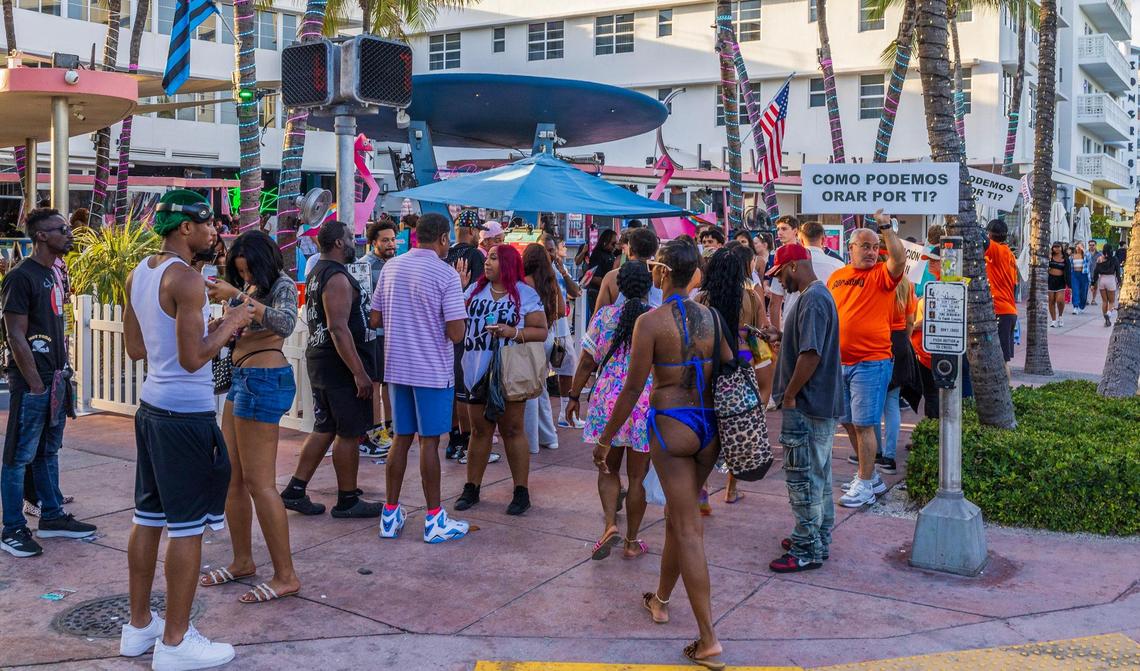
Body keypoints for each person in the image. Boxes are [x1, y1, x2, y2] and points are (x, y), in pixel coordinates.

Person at [121, 190, 254, 668]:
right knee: (188, 528)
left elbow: (136, 348)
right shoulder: (189, 280)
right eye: (208, 224)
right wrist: (234, 320)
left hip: (152, 409)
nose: (215, 231)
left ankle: (139, 627)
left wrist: (201, 327)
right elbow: (194, 356)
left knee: (148, 518)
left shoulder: (141, 271)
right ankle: (176, 643)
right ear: (185, 229)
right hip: (186, 416)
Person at [595, 239, 732, 669]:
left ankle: (709, 639)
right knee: (679, 517)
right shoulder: (712, 317)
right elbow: (734, 360)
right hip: (708, 428)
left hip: (670, 425)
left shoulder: (651, 323)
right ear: (695, 276)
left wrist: (606, 439)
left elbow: (632, 388)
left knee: (688, 529)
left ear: (659, 273)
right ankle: (661, 597)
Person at [199, 230, 301, 604]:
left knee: (260, 484)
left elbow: (286, 324)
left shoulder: (282, 285)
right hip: (243, 379)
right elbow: (247, 330)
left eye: (247, 270)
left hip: (262, 381)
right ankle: (243, 560)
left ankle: (285, 575)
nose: (244, 277)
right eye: (239, 272)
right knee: (232, 479)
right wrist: (225, 327)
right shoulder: (253, 287)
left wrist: (238, 298)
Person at [371, 213, 471, 542]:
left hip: (397, 368)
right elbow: (456, 333)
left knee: (401, 438)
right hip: (431, 370)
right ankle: (433, 519)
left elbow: (375, 319)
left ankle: (389, 513)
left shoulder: (391, 267)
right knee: (430, 443)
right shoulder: (445, 275)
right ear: (443, 238)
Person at [2, 208, 94, 558]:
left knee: (47, 452)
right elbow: (15, 334)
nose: (69, 234)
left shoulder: (53, 274)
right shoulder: (20, 277)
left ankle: (52, 516)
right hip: (33, 383)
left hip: (55, 379)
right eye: (61, 229)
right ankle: (12, 528)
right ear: (41, 235)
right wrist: (35, 384)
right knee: (18, 457)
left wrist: (59, 376)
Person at [280, 220, 380, 519]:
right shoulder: (335, 277)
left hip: (323, 361)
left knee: (326, 427)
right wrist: (359, 372)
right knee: (348, 432)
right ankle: (347, 499)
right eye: (350, 237)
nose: (354, 242)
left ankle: (295, 489)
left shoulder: (317, 272)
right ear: (338, 243)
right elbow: (338, 328)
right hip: (338, 365)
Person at [763, 243, 843, 573]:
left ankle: (807, 546)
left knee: (803, 477)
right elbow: (806, 344)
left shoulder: (812, 299)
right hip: (818, 402)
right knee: (818, 475)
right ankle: (817, 534)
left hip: (807, 404)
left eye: (780, 273)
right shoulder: (816, 297)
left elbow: (811, 355)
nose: (779, 281)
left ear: (793, 266)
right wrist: (781, 335)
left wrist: (791, 394)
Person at [567, 262, 655, 561]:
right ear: (649, 286)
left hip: (607, 400)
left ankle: (609, 526)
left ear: (618, 286)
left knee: (607, 467)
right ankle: (632, 540)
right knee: (637, 479)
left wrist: (573, 395)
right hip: (644, 400)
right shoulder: (655, 318)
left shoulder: (604, 316)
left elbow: (587, 362)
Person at [455, 244, 549, 516]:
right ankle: (471, 487)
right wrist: (460, 290)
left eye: (494, 258)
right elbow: (456, 320)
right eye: (487, 258)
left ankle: (521, 492)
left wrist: (513, 332)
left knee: (512, 431)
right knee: (479, 431)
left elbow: (541, 331)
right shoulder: (474, 290)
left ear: (507, 263)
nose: (487, 263)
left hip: (509, 372)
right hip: (475, 370)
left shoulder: (525, 294)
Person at [828, 210, 905, 508]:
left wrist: (885, 227)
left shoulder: (882, 275)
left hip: (871, 362)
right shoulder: (837, 277)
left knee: (864, 424)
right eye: (866, 246)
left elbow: (897, 260)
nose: (872, 252)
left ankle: (865, 483)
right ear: (851, 248)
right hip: (840, 363)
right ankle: (869, 476)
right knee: (848, 422)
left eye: (875, 247)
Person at [696, 245, 772, 505]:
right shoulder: (751, 298)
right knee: (737, 424)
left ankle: (703, 487)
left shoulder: (701, 300)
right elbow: (760, 336)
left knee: (709, 425)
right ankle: (731, 488)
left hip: (709, 364)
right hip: (743, 361)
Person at [870, 276, 916, 475]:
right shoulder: (906, 283)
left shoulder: (875, 284)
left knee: (873, 402)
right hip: (899, 341)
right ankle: (888, 456)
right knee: (892, 403)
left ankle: (877, 452)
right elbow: (910, 320)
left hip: (879, 340)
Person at [360, 220, 398, 458]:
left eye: (393, 239)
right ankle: (375, 430)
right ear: (373, 242)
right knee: (375, 383)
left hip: (395, 335)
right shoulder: (363, 266)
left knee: (390, 383)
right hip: (374, 336)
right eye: (385, 240)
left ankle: (393, 428)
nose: (390, 244)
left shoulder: (397, 264)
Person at [522, 243, 563, 454]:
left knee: (531, 389)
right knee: (541, 387)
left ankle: (531, 440)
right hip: (549, 336)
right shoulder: (550, 282)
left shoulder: (524, 283)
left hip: (531, 337)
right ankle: (549, 435)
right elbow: (562, 310)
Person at [544, 234, 584, 429]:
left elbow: (576, 292)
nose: (550, 254)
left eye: (552, 250)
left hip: (561, 328)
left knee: (567, 366)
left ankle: (564, 413)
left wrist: (564, 272)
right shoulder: (533, 272)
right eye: (546, 250)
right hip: (543, 328)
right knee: (540, 373)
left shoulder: (560, 268)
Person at [595, 227, 663, 311]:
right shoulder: (663, 276)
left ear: (630, 250)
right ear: (655, 250)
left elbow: (597, 317)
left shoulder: (611, 277)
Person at [984, 220, 1019, 365]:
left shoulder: (998, 250)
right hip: (1008, 311)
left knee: (1000, 362)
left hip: (1001, 311)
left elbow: (981, 239)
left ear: (991, 234)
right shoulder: (1008, 254)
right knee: (1002, 360)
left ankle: (1005, 388)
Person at [767, 215, 801, 329]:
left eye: (784, 229)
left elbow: (774, 302)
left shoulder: (802, 254)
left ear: (795, 231)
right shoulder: (778, 253)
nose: (779, 232)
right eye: (778, 229)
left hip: (791, 321)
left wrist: (776, 334)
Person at [585, 229, 619, 317]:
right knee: (599, 317)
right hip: (596, 292)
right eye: (613, 243)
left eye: (616, 243)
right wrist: (608, 285)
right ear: (605, 242)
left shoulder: (611, 254)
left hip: (605, 291)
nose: (615, 246)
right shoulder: (598, 254)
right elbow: (594, 277)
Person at [1092, 244, 1120, 327]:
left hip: (1102, 280)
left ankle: (1106, 321)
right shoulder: (1115, 259)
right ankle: (1108, 314)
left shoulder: (1100, 259)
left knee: (1104, 301)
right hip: (1110, 279)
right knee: (1111, 301)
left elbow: (1095, 272)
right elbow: (1118, 272)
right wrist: (1120, 282)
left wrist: (1093, 283)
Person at [1047, 242, 1070, 328]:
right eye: (1054, 247)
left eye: (1058, 247)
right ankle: (1053, 320)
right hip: (1051, 280)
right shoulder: (1050, 257)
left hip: (1061, 281)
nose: (1056, 249)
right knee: (1051, 300)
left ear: (1061, 248)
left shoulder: (1065, 258)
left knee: (1060, 300)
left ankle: (1060, 316)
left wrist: (1069, 285)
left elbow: (1068, 272)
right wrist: (1048, 258)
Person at [1070, 242, 1089, 315]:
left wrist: (1083, 249)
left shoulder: (1085, 255)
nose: (1078, 248)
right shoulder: (1072, 256)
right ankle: (1075, 307)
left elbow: (1089, 257)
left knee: (1083, 292)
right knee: (1075, 291)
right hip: (1074, 274)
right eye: (1077, 247)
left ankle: (1081, 306)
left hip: (1083, 274)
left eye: (1079, 246)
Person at [1087, 240, 1101, 306]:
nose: (1091, 246)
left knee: (1095, 287)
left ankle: (1093, 300)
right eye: (1090, 245)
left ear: (1095, 245)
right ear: (1088, 245)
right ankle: (1086, 300)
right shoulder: (1085, 253)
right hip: (1087, 273)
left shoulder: (1099, 254)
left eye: (1093, 245)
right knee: (1086, 287)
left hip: (1095, 273)